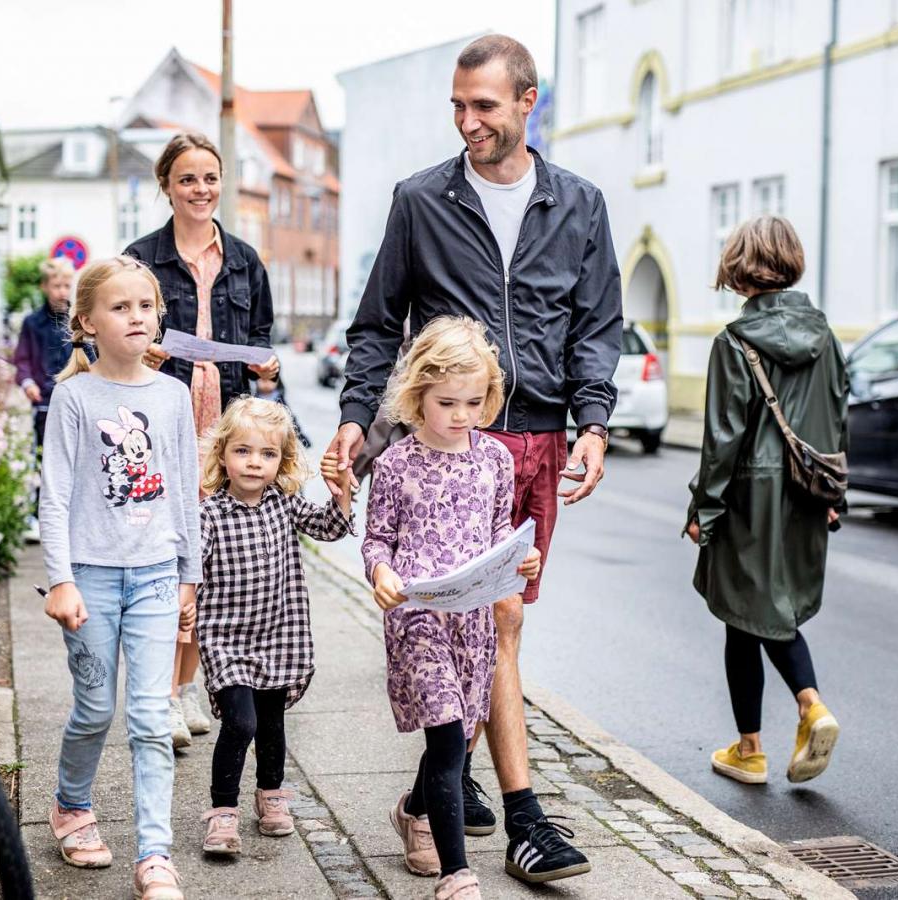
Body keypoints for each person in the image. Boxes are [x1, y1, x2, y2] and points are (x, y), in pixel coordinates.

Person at [323, 35, 621, 884]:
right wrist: (355, 420)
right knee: (499, 625)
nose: (467, 122)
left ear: (529, 102)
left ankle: (433, 796)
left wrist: (593, 425)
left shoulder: (580, 204)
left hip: (535, 441)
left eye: (484, 106)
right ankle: (523, 815)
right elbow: (379, 325)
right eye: (458, 106)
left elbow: (596, 327)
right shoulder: (421, 200)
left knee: (498, 622)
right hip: (456, 438)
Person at [352, 317, 541, 900]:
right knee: (448, 739)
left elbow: (498, 534)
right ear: (417, 395)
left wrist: (521, 562)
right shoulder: (396, 463)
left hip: (473, 620)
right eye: (447, 402)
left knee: (461, 730)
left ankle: (415, 815)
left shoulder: (494, 461)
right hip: (417, 617)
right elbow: (377, 538)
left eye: (474, 401)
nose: (461, 414)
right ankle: (459, 875)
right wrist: (381, 573)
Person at [39, 255, 200, 900]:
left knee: (151, 717)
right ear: (87, 322)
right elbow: (53, 497)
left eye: (145, 305)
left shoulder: (173, 395)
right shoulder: (74, 396)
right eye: (119, 307)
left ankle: (154, 855)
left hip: (160, 574)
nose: (136, 316)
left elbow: (186, 490)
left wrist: (191, 573)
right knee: (94, 709)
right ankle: (71, 805)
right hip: (91, 579)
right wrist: (60, 579)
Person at [125, 131, 280, 749]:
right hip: (164, 421)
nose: (201, 189)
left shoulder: (244, 259)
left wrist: (270, 371)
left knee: (210, 563)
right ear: (166, 185)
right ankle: (160, 692)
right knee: (167, 559)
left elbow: (266, 341)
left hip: (229, 424)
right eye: (187, 179)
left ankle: (186, 687)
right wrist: (143, 347)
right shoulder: (141, 259)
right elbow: (103, 339)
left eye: (210, 178)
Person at [685, 215, 847, 787]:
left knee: (747, 610)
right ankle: (751, 745)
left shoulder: (734, 342)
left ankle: (802, 711)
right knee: (758, 611)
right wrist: (834, 496)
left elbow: (722, 439)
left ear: (739, 270)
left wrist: (703, 510)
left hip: (750, 498)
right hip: (807, 492)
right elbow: (836, 417)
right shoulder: (825, 336)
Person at [196, 397, 354, 856]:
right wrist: (183, 600)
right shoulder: (210, 515)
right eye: (243, 451)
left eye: (267, 454)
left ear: (281, 462)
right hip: (226, 640)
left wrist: (341, 490)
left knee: (271, 723)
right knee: (240, 723)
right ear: (223, 454)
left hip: (277, 635)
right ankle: (223, 811)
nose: (254, 463)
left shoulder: (284, 505)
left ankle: (270, 796)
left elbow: (329, 527)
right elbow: (189, 568)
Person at [13, 256, 78, 541]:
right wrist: (27, 383)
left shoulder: (80, 320)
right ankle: (41, 518)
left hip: (73, 402)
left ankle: (75, 517)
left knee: (77, 459)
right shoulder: (32, 323)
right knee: (44, 460)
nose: (62, 291)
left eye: (66, 285)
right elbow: (22, 360)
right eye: (56, 285)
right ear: (44, 287)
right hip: (44, 403)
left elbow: (90, 356)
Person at [254, 372, 312, 449]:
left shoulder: (281, 402)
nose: (267, 383)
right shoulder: (252, 401)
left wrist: (303, 439)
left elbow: (292, 422)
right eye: (263, 379)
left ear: (278, 381)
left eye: (271, 379)